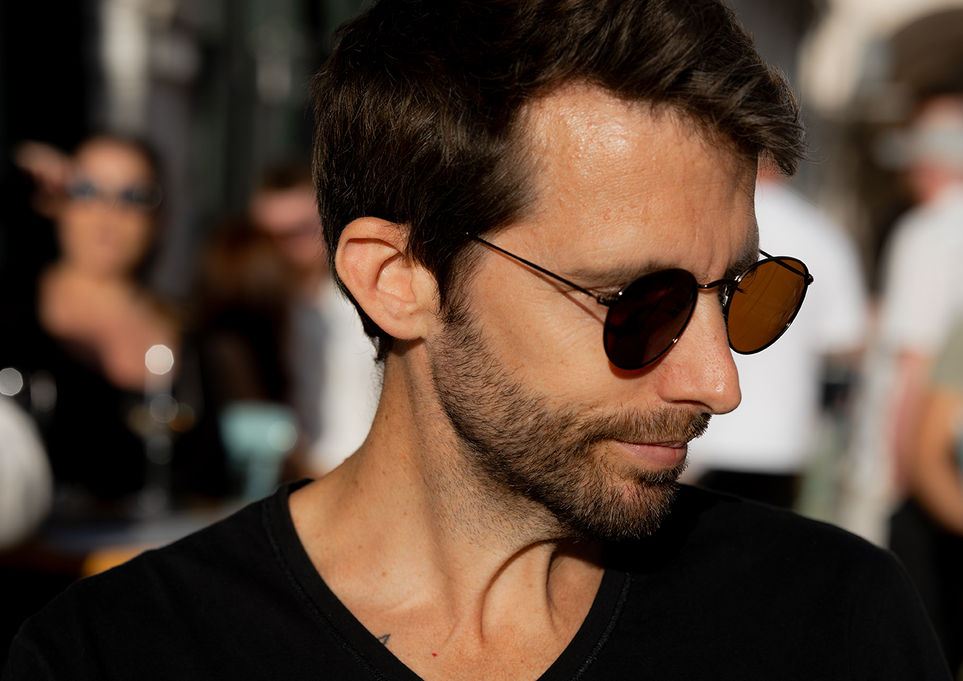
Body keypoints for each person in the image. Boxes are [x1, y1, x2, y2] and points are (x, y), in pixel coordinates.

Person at [3, 2, 950, 679]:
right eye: (636, 302)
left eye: (742, 290)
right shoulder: (118, 654)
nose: (717, 380)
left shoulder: (830, 619)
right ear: (397, 278)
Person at [688, 167, 868, 510]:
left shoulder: (702, 214)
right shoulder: (821, 233)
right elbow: (846, 340)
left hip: (702, 434)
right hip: (782, 438)